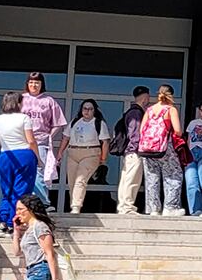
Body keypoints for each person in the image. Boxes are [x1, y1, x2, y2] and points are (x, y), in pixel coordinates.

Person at [0, 91, 39, 234]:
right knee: (21, 189)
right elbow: (31, 141)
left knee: (7, 190)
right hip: (24, 154)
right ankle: (14, 221)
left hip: (5, 155)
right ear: (17, 103)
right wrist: (38, 158)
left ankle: (4, 219)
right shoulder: (23, 118)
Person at [136, 84, 184, 217]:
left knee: (151, 178)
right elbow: (178, 131)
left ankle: (153, 209)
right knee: (174, 175)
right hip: (165, 147)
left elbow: (141, 130)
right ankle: (170, 207)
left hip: (148, 149)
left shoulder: (149, 110)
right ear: (171, 95)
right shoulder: (170, 109)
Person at [20, 73, 67, 208]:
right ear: (27, 84)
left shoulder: (49, 100)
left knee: (40, 172)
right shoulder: (21, 99)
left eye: (37, 83)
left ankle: (43, 202)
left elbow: (58, 122)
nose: (34, 85)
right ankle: (24, 202)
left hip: (41, 140)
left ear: (41, 85)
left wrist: (50, 136)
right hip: (22, 141)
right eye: (31, 83)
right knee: (23, 171)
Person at [60, 99, 109, 214]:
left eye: (90, 109)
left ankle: (76, 206)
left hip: (90, 153)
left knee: (80, 180)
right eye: (85, 108)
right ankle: (74, 205)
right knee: (72, 181)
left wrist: (103, 158)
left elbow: (105, 142)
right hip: (73, 152)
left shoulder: (99, 123)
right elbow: (65, 138)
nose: (87, 111)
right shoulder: (75, 121)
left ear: (94, 111)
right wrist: (60, 153)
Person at [113, 86, 151, 215]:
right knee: (132, 179)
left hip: (129, 152)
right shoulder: (137, 113)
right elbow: (135, 133)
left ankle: (123, 206)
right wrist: (139, 148)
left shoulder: (131, 111)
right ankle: (127, 206)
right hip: (134, 151)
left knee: (126, 178)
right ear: (145, 97)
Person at [183, 102, 202, 216]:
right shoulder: (193, 123)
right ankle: (195, 209)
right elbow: (189, 139)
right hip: (192, 152)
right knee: (191, 180)